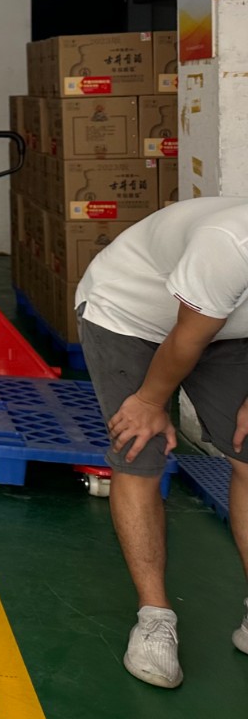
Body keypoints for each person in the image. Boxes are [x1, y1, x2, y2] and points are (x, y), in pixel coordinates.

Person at [74, 195, 248, 689]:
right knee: (140, 450)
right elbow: (186, 339)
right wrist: (151, 401)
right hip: (129, 314)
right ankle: (154, 618)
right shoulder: (231, 244)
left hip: (226, 327)